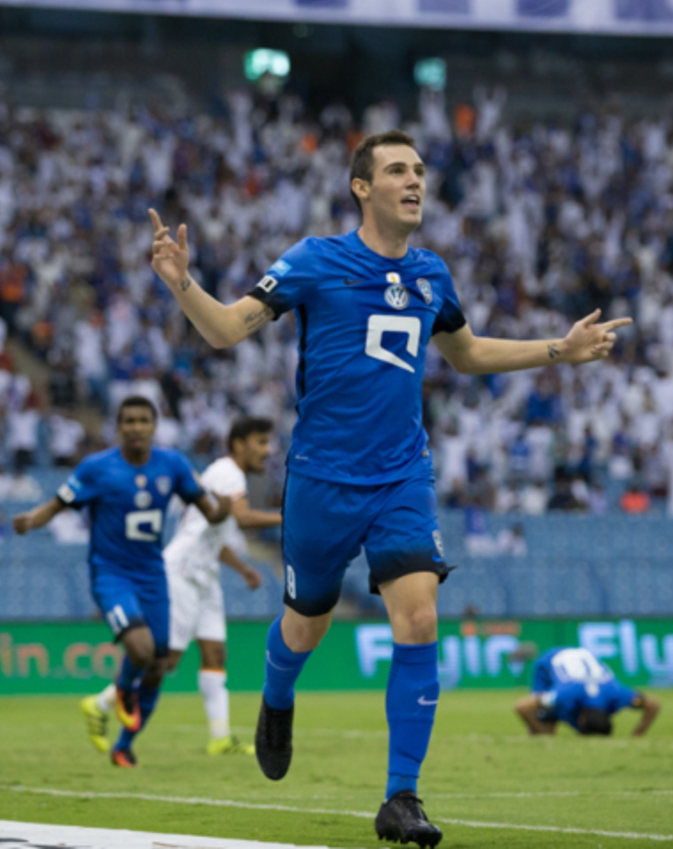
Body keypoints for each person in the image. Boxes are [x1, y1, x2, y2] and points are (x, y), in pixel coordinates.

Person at [148, 129, 631, 848]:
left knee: (419, 618)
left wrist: (559, 348)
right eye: (398, 170)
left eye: (420, 171)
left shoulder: (432, 273)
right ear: (361, 187)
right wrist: (181, 282)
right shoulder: (315, 260)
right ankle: (276, 695)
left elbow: (467, 353)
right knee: (306, 623)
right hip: (320, 480)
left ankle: (400, 797)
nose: (414, 181)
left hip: (403, 475)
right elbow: (224, 331)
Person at [12, 395, 230, 768]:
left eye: (144, 420)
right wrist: (31, 520)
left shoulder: (173, 465)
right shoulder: (97, 468)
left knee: (159, 665)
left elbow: (209, 512)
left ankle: (123, 745)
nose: (136, 427)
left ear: (154, 426)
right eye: (129, 421)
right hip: (111, 574)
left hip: (152, 575)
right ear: (117, 428)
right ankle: (124, 689)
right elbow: (58, 503)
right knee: (141, 651)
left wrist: (222, 510)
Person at [85, 416, 281, 758]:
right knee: (167, 660)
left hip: (205, 575)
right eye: (261, 442)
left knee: (215, 653)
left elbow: (211, 535)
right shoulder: (228, 473)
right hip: (182, 573)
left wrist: (243, 569)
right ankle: (101, 704)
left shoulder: (224, 475)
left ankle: (220, 737)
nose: (268, 450)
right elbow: (243, 517)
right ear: (239, 444)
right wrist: (289, 515)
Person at [514, 646, 661, 736]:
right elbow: (522, 707)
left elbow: (653, 705)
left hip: (583, 662)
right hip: (549, 662)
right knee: (544, 724)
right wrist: (541, 731)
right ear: (581, 720)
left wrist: (637, 735)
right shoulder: (564, 695)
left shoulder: (617, 695)